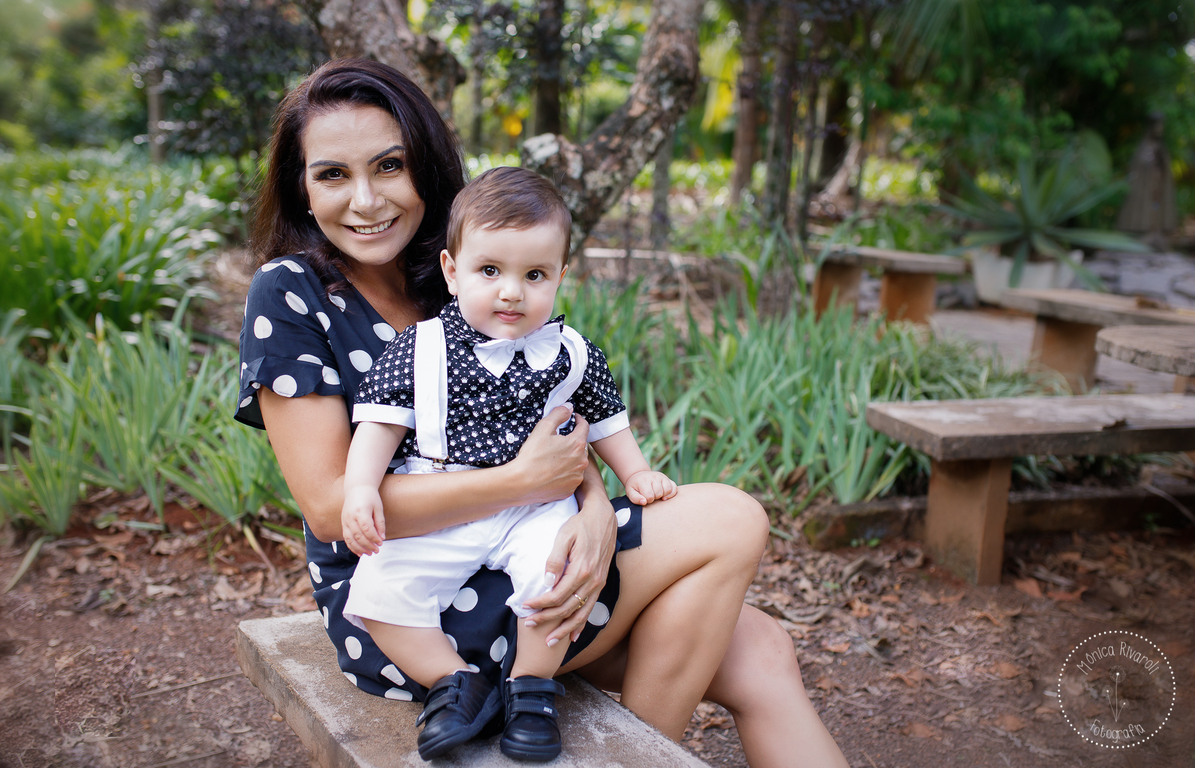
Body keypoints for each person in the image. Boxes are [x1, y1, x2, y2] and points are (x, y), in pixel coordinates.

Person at [235, 57, 849, 768]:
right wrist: (529, 485)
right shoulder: (291, 293)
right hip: (408, 599)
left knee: (763, 651)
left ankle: (631, 749)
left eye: (389, 166)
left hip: (522, 546)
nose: (367, 199)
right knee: (729, 518)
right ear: (301, 190)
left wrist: (591, 509)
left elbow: (553, 422)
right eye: (332, 174)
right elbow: (330, 507)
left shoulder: (472, 266)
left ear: (425, 171)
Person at [341, 166, 678, 761]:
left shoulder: (572, 353)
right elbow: (379, 422)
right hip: (445, 502)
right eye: (490, 270)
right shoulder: (420, 348)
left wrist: (635, 473)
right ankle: (455, 682)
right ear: (453, 271)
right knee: (377, 591)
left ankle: (531, 688)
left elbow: (605, 421)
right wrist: (363, 487)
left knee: (554, 579)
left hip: (538, 507)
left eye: (534, 275)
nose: (511, 292)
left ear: (560, 278)